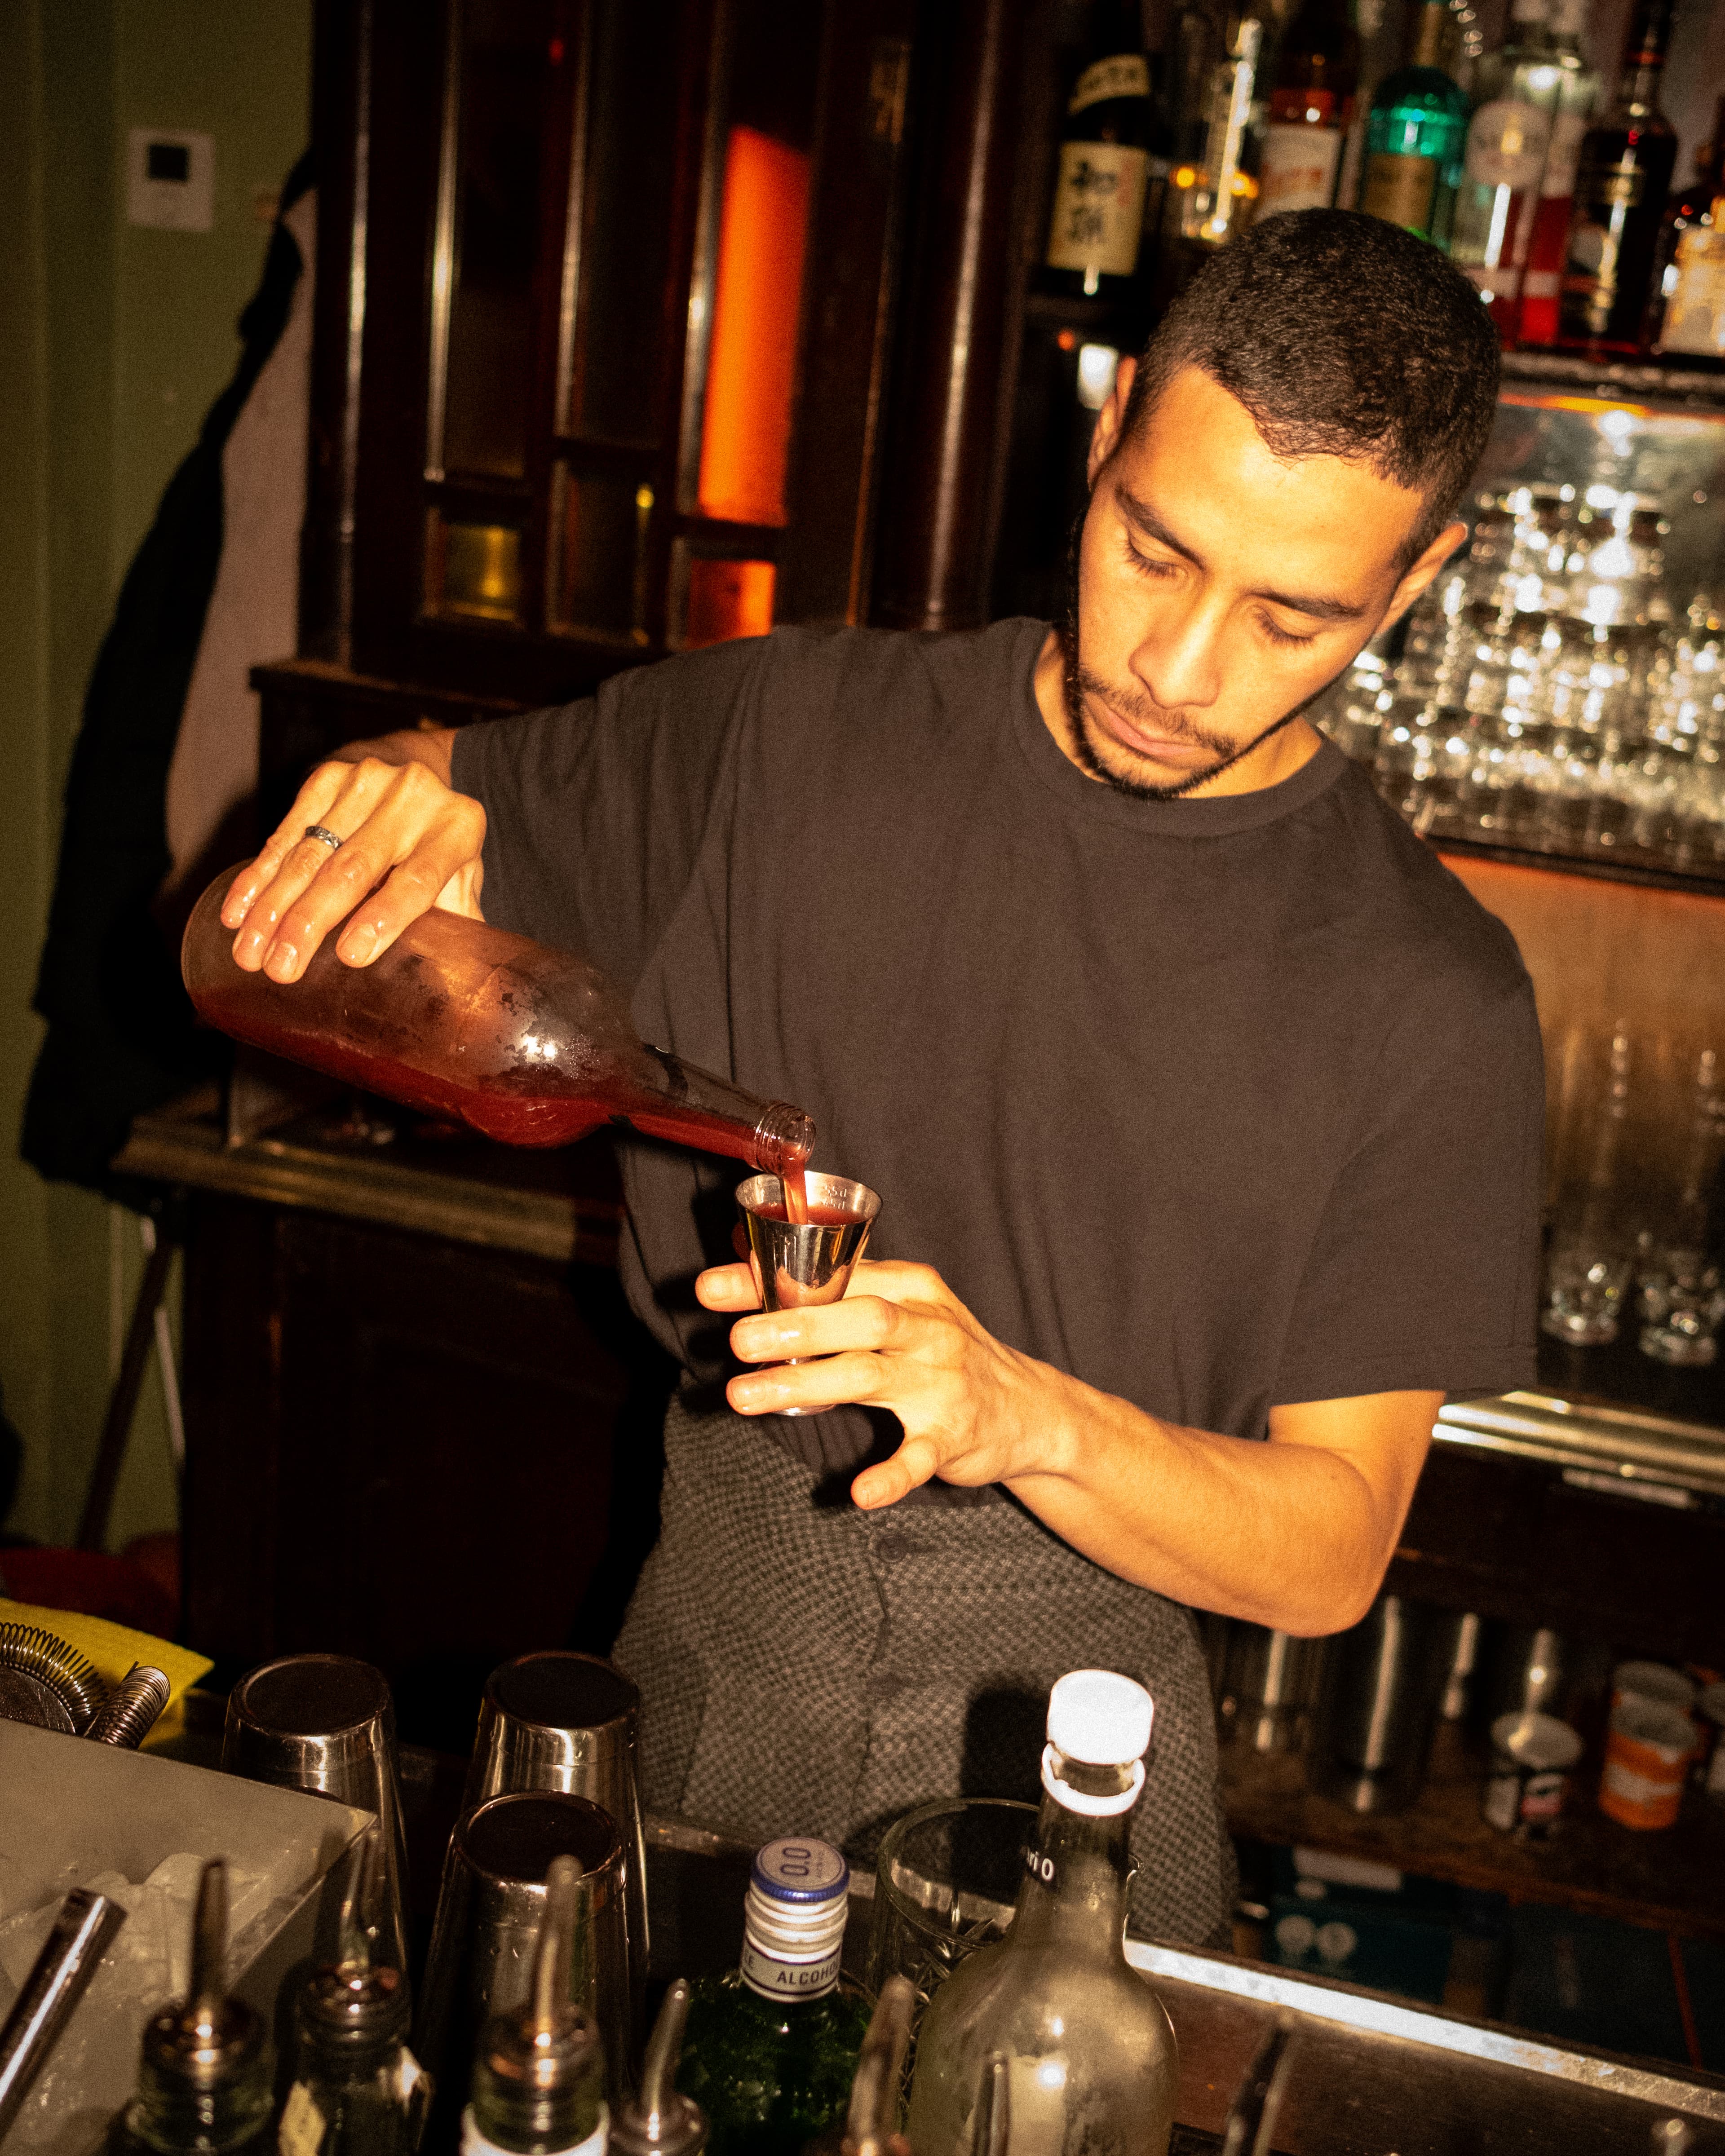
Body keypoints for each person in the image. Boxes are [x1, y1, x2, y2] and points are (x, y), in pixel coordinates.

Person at [219, 211, 1543, 1947]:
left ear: (1423, 575)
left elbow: (1330, 1550)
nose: (1184, 665)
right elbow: (434, 794)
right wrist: (382, 792)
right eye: (1154, 550)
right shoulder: (784, 737)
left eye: (1296, 618)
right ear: (1113, 417)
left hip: (1078, 1778)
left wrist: (1024, 1412)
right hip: (702, 1667)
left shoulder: (1428, 994)